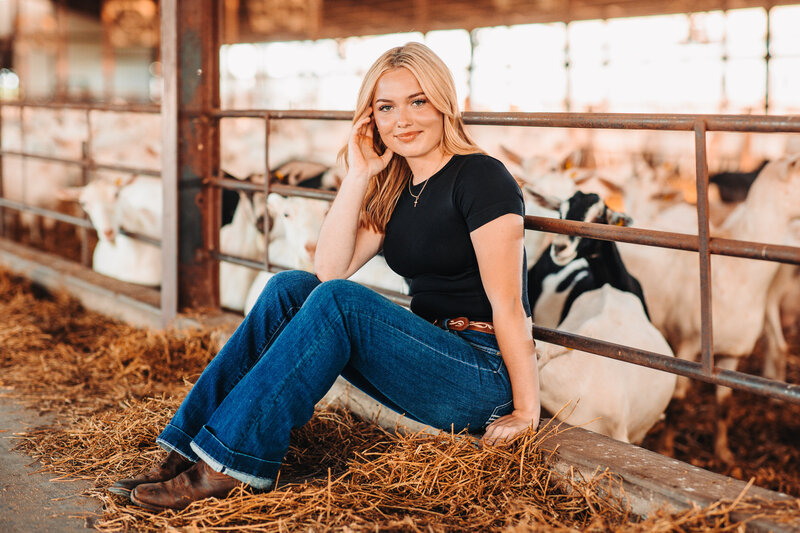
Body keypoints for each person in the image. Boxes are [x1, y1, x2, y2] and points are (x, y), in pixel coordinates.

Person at [110, 42, 540, 512]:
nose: (403, 120)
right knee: (288, 288)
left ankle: (225, 466)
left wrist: (524, 411)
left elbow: (509, 306)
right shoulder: (396, 185)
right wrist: (358, 174)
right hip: (426, 355)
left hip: (479, 372)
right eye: (386, 107)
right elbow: (329, 269)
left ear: (444, 103)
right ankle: (186, 448)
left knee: (339, 301)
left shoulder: (482, 177)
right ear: (370, 119)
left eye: (418, 101)